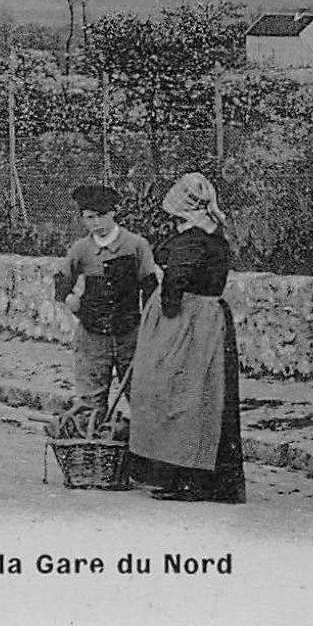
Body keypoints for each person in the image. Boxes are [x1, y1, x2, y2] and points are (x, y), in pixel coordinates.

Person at [129, 172, 247, 504]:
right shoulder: (214, 237)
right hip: (210, 321)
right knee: (205, 397)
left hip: (188, 323)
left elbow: (175, 286)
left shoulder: (191, 241)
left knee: (181, 396)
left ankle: (187, 479)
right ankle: (195, 477)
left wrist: (163, 300)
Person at [60, 184, 159, 419]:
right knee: (90, 403)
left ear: (114, 212)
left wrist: (147, 328)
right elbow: (62, 280)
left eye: (102, 216)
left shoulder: (136, 245)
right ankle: (92, 450)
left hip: (130, 335)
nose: (97, 224)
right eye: (90, 218)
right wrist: (70, 299)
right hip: (92, 337)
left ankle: (143, 452)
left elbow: (150, 289)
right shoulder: (81, 249)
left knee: (142, 396)